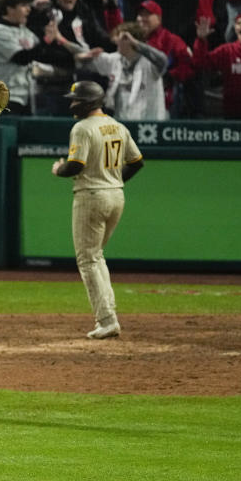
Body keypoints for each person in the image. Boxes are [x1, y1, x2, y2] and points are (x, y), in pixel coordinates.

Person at [51, 81, 144, 339]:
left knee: (88, 259)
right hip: (116, 195)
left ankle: (107, 319)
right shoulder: (118, 126)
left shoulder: (82, 127)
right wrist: (115, 180)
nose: (72, 104)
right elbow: (137, 162)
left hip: (91, 195)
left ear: (90, 102)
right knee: (95, 256)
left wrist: (58, 169)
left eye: (77, 100)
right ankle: (108, 314)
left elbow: (75, 166)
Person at [75, 22, 168, 120]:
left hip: (149, 126)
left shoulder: (150, 63)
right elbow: (82, 59)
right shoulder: (115, 60)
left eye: (120, 37)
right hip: (122, 125)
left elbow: (163, 60)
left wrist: (136, 43)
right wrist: (80, 56)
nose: (115, 41)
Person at [193, 14, 241, 119]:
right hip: (233, 115)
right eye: (239, 23)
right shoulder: (227, 51)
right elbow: (201, 63)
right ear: (235, 27)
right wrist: (201, 40)